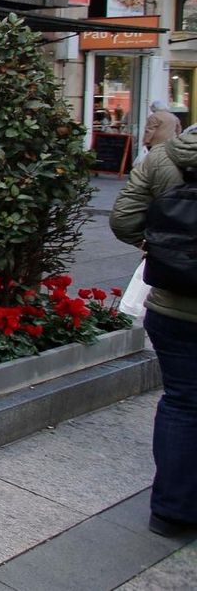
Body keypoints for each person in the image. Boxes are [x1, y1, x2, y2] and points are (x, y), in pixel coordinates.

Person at [111, 128, 197, 537]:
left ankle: (170, 509)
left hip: (172, 303)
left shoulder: (165, 157)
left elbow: (124, 219)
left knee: (181, 402)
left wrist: (158, 247)